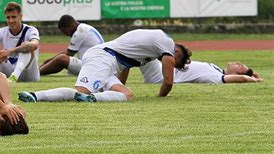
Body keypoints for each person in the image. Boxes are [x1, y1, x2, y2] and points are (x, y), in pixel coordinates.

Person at [18, 29, 191, 103]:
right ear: (175, 52)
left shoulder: (154, 42)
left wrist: (121, 84)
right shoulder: (167, 44)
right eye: (175, 62)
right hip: (103, 58)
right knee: (81, 92)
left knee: (127, 94)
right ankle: (35, 96)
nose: (169, 64)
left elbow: (126, 64)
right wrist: (160, 98)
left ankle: (94, 98)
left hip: (108, 61)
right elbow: (168, 82)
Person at [0, 2, 40, 83]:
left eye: (14, 17)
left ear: (20, 17)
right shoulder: (2, 31)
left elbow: (34, 45)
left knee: (26, 46)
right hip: (8, 73)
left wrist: (10, 51)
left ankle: (14, 77)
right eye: (8, 17)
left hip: (29, 75)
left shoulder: (31, 30)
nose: (11, 21)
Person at [39, 15, 104, 76]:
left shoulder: (80, 32)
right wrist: (46, 62)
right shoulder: (85, 27)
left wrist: (45, 63)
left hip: (93, 67)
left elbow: (68, 54)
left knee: (62, 59)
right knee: (68, 66)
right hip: (98, 64)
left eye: (66, 32)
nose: (66, 35)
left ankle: (37, 73)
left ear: (72, 26)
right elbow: (68, 51)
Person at [139, 59, 263, 84]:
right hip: (163, 69)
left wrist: (254, 80)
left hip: (160, 77)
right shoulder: (216, 69)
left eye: (240, 66)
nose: (237, 62)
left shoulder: (217, 76)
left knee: (142, 45)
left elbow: (242, 78)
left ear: (234, 75)